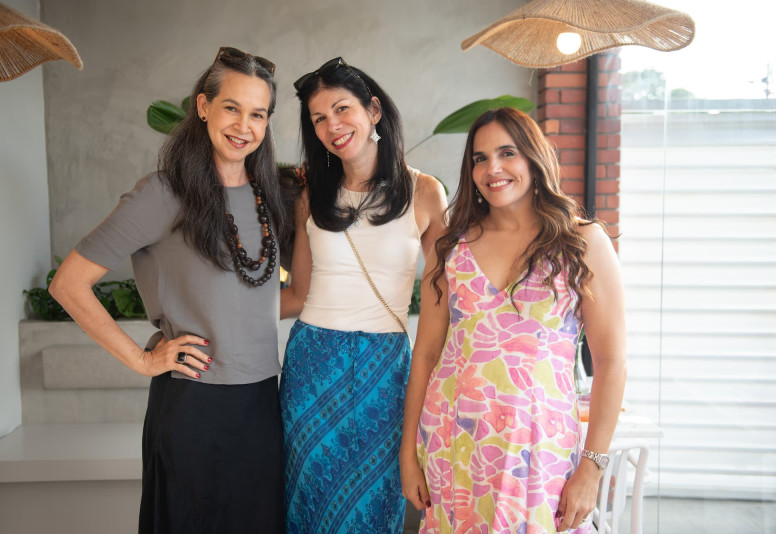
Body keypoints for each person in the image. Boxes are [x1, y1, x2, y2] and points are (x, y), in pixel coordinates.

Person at [49, 47, 286, 533]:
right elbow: (69, 284)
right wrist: (141, 360)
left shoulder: (270, 195)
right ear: (203, 106)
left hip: (262, 405)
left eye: (258, 114)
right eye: (231, 108)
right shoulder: (163, 193)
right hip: (193, 407)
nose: (244, 125)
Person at [399, 107, 627, 533]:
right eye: (480, 158)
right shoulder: (451, 248)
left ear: (534, 159)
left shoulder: (583, 242)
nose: (493, 168)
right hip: (454, 442)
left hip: (540, 451)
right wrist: (408, 453)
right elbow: (427, 353)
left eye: (508, 153)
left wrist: (592, 468)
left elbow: (612, 362)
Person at [279, 57, 447, 533]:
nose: (332, 125)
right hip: (313, 364)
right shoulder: (311, 196)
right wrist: (218, 312)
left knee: (377, 503)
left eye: (342, 108)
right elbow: (296, 294)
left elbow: (442, 307)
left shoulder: (426, 192)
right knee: (310, 502)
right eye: (318, 118)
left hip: (386, 368)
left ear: (373, 110)